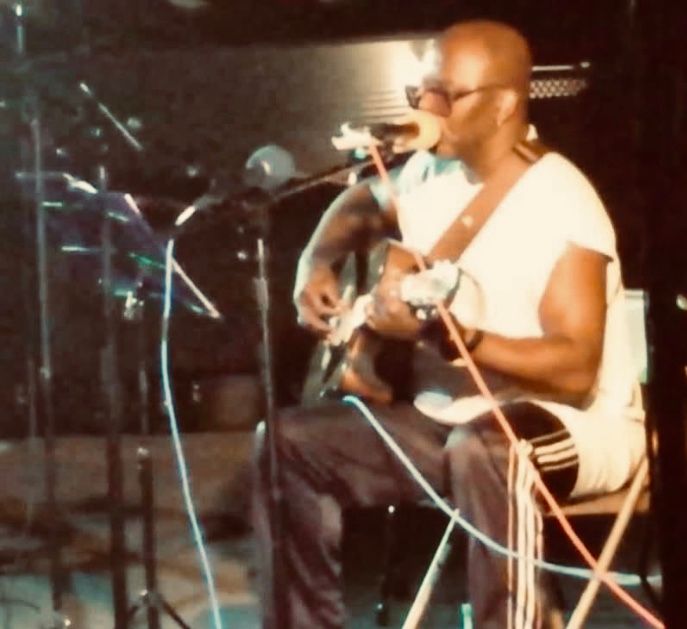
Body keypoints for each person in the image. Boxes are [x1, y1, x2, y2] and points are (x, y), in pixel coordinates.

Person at [253, 19, 646, 629]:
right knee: (285, 444)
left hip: (573, 429)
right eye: (421, 93)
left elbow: (574, 370)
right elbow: (360, 201)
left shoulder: (561, 200)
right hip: (449, 426)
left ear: (504, 104)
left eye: (444, 95)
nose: (425, 109)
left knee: (486, 450)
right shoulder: (429, 172)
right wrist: (315, 261)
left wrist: (453, 340)